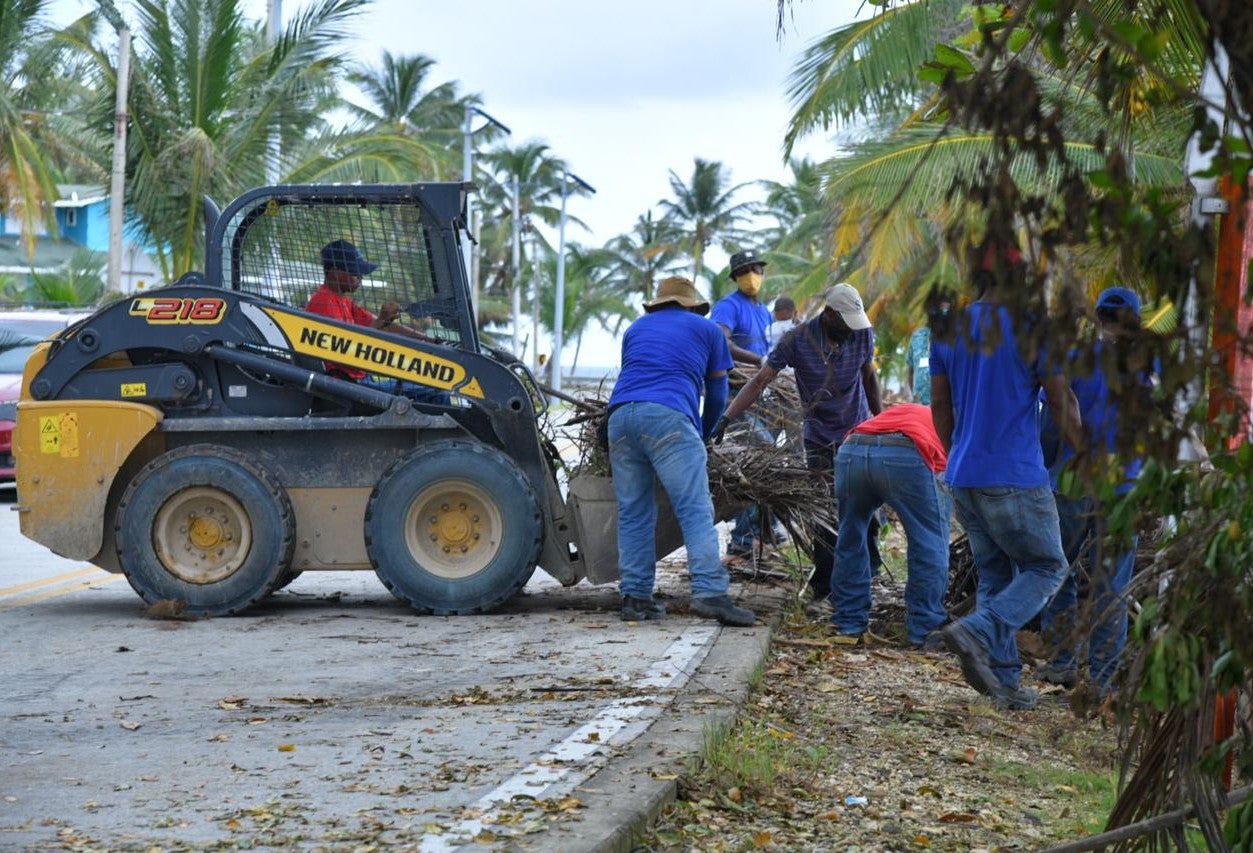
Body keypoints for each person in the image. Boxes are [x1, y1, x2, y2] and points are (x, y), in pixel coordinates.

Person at [930, 239, 1084, 711]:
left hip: (965, 476)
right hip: (1014, 475)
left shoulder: (949, 328)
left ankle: (1003, 685)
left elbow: (939, 404)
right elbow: (1060, 401)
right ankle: (978, 630)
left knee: (996, 576)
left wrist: (955, 454)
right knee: (1048, 567)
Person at [717, 282, 882, 604]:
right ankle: (824, 583)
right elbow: (761, 380)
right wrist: (725, 418)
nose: (852, 328)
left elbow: (869, 376)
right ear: (831, 315)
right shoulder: (796, 340)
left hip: (860, 433)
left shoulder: (861, 333)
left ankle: (868, 572)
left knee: (865, 506)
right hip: (819, 438)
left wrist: (882, 420)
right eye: (847, 320)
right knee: (823, 511)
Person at [606, 275, 756, 627]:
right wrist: (704, 434)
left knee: (634, 511)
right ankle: (710, 593)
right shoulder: (708, 331)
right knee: (694, 507)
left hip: (620, 418)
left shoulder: (635, 329)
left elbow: (635, 374)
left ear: (659, 303)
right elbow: (718, 393)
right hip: (668, 417)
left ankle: (635, 597)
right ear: (692, 305)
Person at [1036, 286, 1149, 693]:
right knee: (1112, 583)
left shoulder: (1075, 361)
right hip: (1123, 488)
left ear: (1099, 319)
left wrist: (1048, 466)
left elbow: (1052, 422)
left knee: (1055, 571)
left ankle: (1064, 662)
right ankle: (1101, 677)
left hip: (1072, 481)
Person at [832, 403, 950, 647]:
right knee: (929, 541)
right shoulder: (952, 423)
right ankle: (924, 629)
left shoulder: (913, 411)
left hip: (852, 450)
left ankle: (849, 624)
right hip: (905, 453)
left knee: (850, 538)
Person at [306, 239, 442, 401]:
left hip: (360, 379)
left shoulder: (343, 300)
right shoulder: (323, 301)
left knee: (431, 386)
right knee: (436, 394)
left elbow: (383, 326)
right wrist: (382, 320)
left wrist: (428, 341)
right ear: (335, 271)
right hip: (348, 384)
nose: (360, 277)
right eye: (355, 272)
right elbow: (344, 350)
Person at [712, 249, 780, 561]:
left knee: (770, 461)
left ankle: (763, 532)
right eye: (745, 271)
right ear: (736, 277)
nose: (752, 275)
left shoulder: (765, 312)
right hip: (736, 396)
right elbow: (722, 342)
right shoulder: (728, 307)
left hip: (761, 398)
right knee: (759, 456)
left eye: (756, 269)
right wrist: (757, 361)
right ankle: (743, 537)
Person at [905, 294, 952, 405]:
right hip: (920, 408)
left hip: (947, 408)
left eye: (945, 311)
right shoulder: (917, 336)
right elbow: (911, 372)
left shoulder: (955, 339)